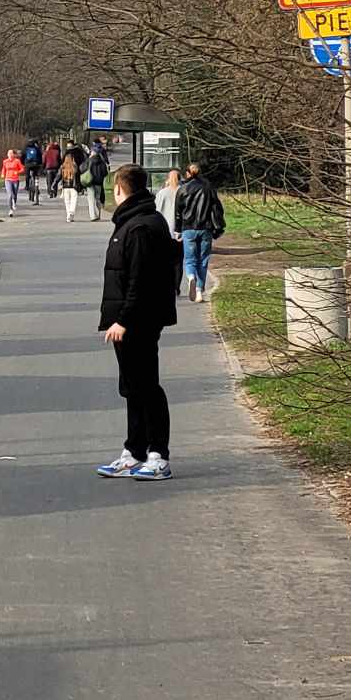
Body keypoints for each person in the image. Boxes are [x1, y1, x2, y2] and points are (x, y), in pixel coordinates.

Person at [96, 163, 181, 480]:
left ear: (119, 189)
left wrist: (123, 320)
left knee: (146, 387)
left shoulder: (141, 226)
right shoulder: (134, 221)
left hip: (139, 320)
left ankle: (158, 455)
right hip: (133, 319)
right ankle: (134, 451)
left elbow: (139, 280)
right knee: (133, 387)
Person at [174, 161, 227, 302]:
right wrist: (218, 227)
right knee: (203, 260)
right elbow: (217, 208)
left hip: (188, 229)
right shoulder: (208, 188)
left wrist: (177, 230)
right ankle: (199, 291)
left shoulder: (183, 189)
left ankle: (191, 277)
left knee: (190, 259)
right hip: (206, 229)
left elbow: (178, 213)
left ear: (187, 173)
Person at [84, 141, 109, 221]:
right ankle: (98, 214)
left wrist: (88, 158)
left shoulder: (89, 160)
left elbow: (82, 168)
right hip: (99, 182)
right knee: (97, 198)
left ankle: (93, 216)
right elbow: (105, 173)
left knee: (91, 200)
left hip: (90, 182)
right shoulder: (102, 162)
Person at [58, 147, 83, 222]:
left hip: (65, 186)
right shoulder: (75, 167)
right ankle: (71, 212)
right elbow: (78, 175)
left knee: (67, 201)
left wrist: (55, 183)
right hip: (74, 186)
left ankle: (68, 214)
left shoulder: (62, 167)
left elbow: (59, 176)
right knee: (74, 200)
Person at [155, 167, 181, 237]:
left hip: (165, 225)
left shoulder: (162, 192)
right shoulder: (184, 191)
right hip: (181, 227)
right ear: (179, 179)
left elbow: (157, 210)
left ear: (168, 179)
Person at [0, 148, 26, 216]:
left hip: (15, 180)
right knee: (10, 195)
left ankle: (14, 202)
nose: (10, 155)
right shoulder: (5, 161)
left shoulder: (17, 161)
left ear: (14, 155)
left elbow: (22, 169)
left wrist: (17, 172)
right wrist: (2, 174)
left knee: (15, 194)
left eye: (11, 154)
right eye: (9, 154)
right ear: (7, 155)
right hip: (8, 179)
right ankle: (10, 210)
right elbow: (4, 169)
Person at [21, 139, 43, 206]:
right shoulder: (37, 149)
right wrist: (40, 164)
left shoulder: (25, 149)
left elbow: (22, 157)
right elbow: (40, 157)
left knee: (27, 175)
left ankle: (27, 186)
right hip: (36, 165)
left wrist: (23, 163)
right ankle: (37, 188)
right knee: (36, 176)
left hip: (28, 165)